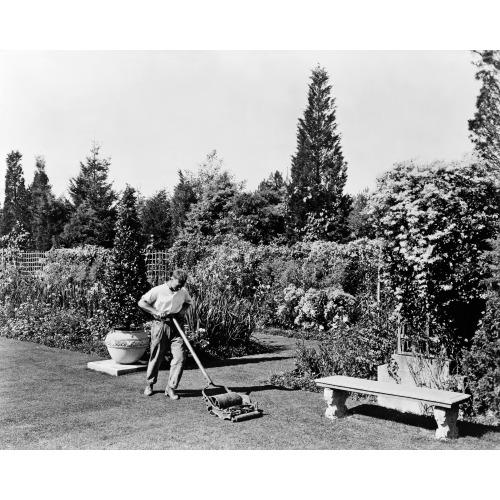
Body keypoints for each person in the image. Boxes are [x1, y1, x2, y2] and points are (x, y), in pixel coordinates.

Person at [138, 269, 192, 399]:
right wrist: (155, 311)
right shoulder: (158, 290)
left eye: (182, 284)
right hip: (160, 325)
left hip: (177, 326)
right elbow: (141, 302)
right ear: (171, 278)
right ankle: (150, 384)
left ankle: (171, 388)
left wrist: (182, 311)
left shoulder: (183, 291)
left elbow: (188, 302)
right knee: (156, 356)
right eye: (178, 283)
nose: (180, 287)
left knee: (180, 357)